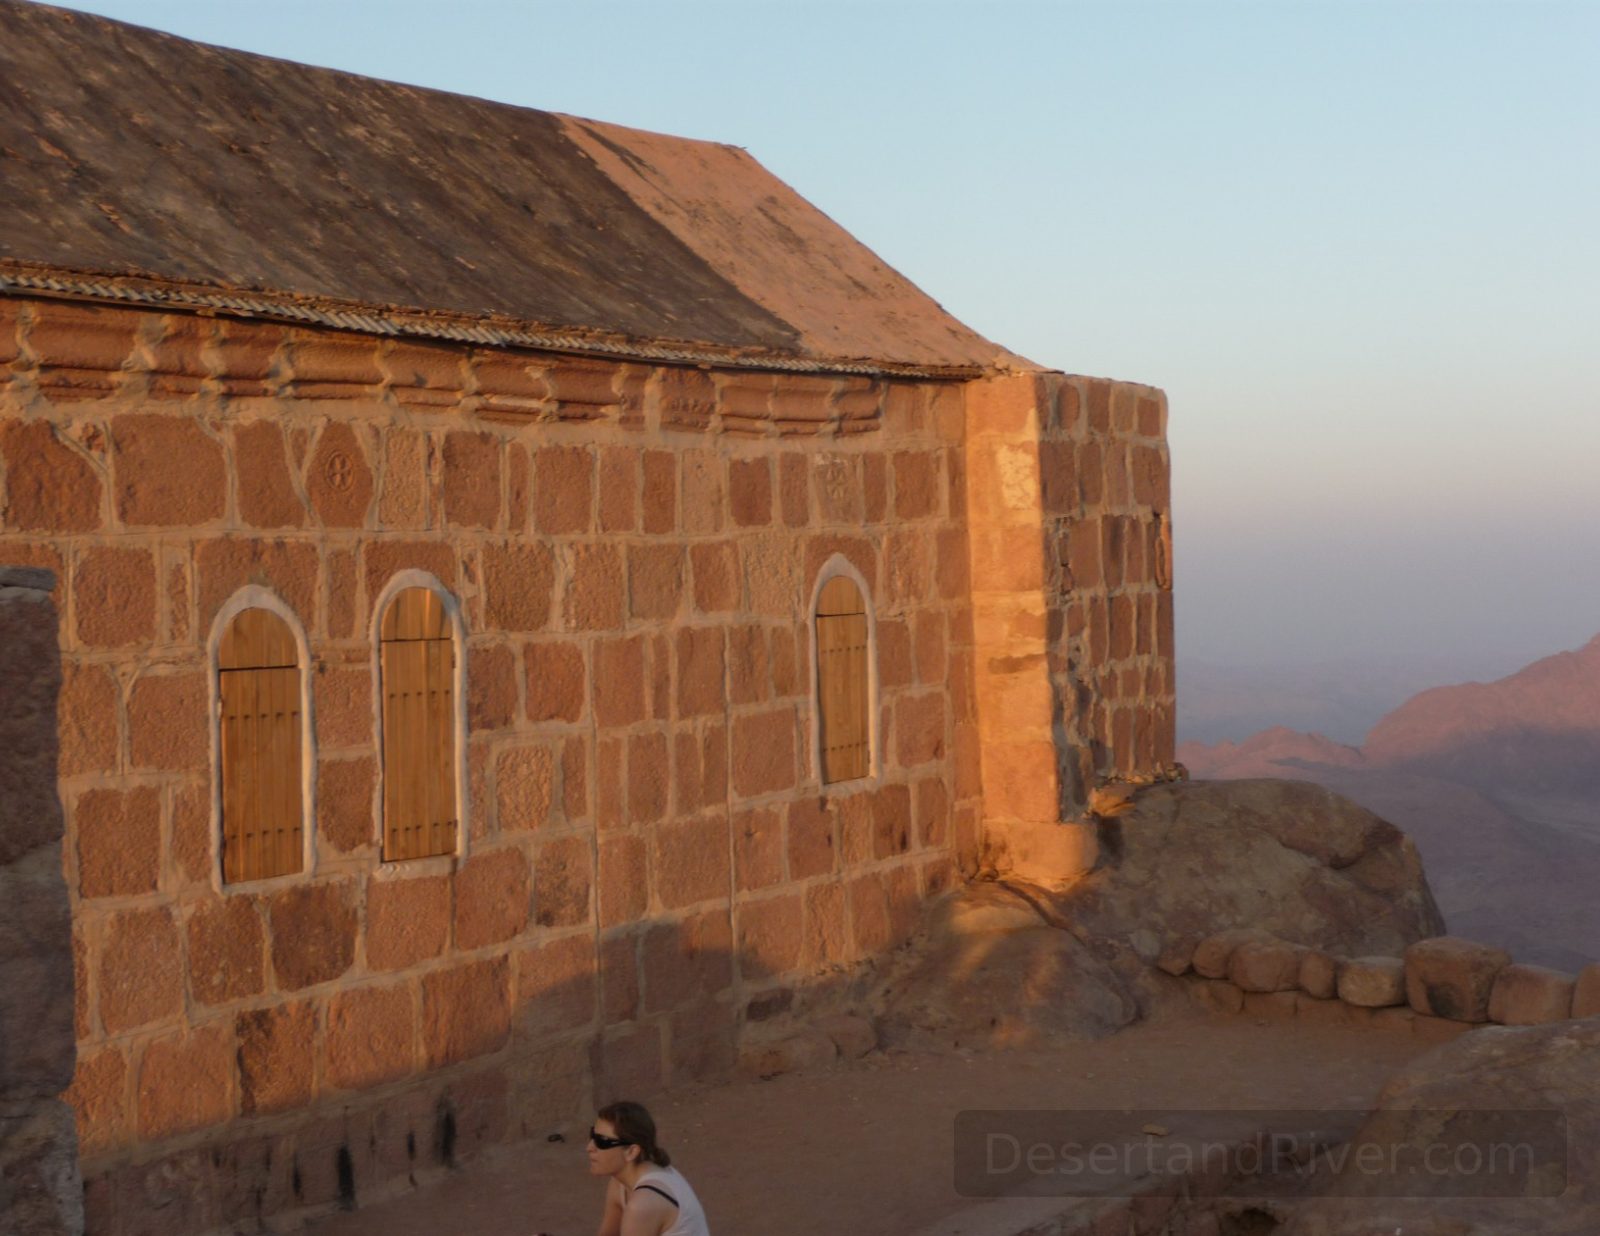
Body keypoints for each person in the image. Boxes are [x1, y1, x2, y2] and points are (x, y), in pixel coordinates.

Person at [584, 1100, 710, 1236]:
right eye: (593, 1135)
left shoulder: (642, 1205)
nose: (589, 1148)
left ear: (631, 1152)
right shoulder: (621, 1181)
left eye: (602, 1141)